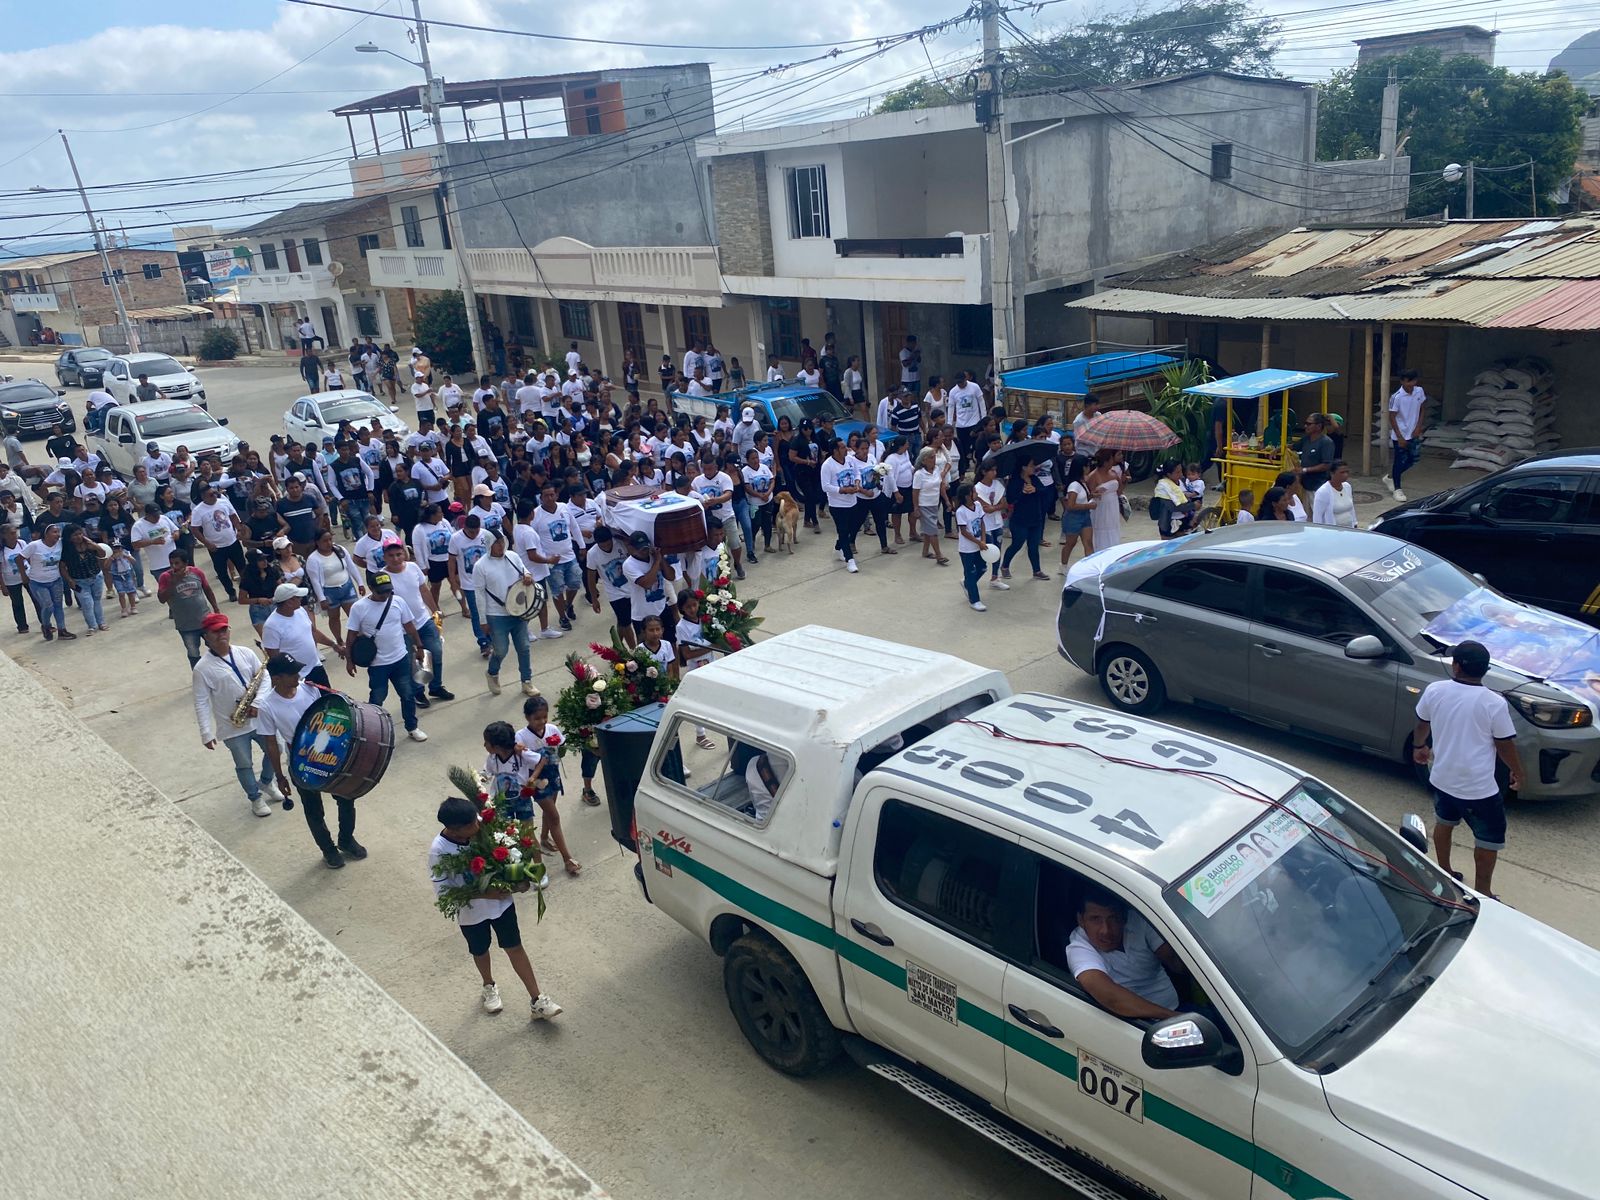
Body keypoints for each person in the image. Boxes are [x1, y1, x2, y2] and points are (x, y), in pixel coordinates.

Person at [428, 794, 563, 1020]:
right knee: (480, 950)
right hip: (471, 914)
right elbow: (444, 892)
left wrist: (517, 880)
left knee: (515, 946)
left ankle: (537, 999)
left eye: (476, 819)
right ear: (453, 830)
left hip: (502, 905)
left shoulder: (480, 826)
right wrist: (485, 893)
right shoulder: (439, 851)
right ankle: (488, 986)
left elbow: (507, 855)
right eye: (471, 824)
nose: (478, 825)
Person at [1414, 640, 1523, 900]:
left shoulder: (1435, 690)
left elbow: (1422, 722)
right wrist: (1518, 771)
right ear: (1484, 669)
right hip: (1478, 788)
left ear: (1457, 666)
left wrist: (1420, 746)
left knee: (1444, 822)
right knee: (1487, 839)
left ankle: (1445, 870)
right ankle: (1483, 891)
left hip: (1441, 778)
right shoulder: (1493, 703)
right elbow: (1503, 743)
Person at [257, 655, 366, 869]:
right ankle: (328, 850)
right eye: (292, 673)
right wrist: (280, 776)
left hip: (330, 754)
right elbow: (271, 744)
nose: (299, 675)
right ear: (277, 678)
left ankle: (346, 839)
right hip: (301, 762)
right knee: (313, 809)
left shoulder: (310, 689)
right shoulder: (267, 707)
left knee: (346, 796)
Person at [191, 612, 284, 817]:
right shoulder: (202, 668)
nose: (221, 634)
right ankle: (255, 798)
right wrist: (206, 732)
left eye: (224, 629)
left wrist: (258, 702)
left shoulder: (245, 652)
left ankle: (267, 783)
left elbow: (264, 678)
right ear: (205, 636)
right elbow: (201, 702)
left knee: (276, 749)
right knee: (244, 764)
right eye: (216, 631)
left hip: (259, 717)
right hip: (233, 726)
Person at [1067, 884, 1189, 1019]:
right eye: (1095, 919)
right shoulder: (1078, 948)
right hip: (1134, 1024)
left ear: (1124, 917)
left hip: (1176, 1006)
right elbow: (1110, 997)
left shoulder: (1140, 922)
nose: (1105, 930)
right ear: (1081, 920)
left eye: (1113, 918)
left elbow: (1175, 962)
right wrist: (1175, 1018)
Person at [344, 571, 428, 743]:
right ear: (371, 589)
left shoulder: (398, 602)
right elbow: (351, 636)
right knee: (377, 699)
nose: (385, 595)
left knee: (407, 694)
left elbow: (409, 626)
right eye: (381, 592)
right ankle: (372, 732)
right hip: (377, 664)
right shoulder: (359, 608)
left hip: (401, 659)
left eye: (388, 591)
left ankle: (412, 727)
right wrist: (349, 660)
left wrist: (419, 647)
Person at [475, 525, 538, 698]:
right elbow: (479, 595)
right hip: (496, 615)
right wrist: (483, 620)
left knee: (524, 648)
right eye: (496, 543)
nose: (501, 546)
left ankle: (527, 682)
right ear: (489, 545)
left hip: (518, 612)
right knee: (501, 650)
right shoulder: (480, 566)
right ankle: (492, 673)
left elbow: (524, 571)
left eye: (502, 541)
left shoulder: (513, 556)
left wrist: (527, 575)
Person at [262, 581, 338, 688]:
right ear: (289, 602)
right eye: (298, 597)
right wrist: (291, 677)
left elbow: (313, 632)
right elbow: (274, 657)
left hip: (315, 666)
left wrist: (333, 645)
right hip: (297, 677)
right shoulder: (271, 626)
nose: (301, 599)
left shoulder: (301, 611)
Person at [158, 549, 220, 666]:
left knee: (217, 647)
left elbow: (207, 590)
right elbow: (162, 599)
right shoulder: (165, 577)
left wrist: (216, 609)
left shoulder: (196, 572)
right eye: (171, 563)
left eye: (177, 563)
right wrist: (174, 582)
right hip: (185, 626)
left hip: (206, 620)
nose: (174, 566)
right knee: (193, 653)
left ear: (186, 563)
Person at [20, 522, 71, 641]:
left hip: (55, 580)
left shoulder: (60, 543)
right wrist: (24, 575)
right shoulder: (34, 545)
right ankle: (46, 625)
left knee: (58, 605)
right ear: (46, 534)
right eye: (54, 532)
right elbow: (20, 558)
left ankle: (62, 630)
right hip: (38, 582)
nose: (57, 534)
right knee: (48, 605)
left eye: (58, 532)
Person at [1000, 458, 1050, 579]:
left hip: (1035, 517)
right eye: (1031, 466)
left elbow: (1044, 491)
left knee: (1033, 545)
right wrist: (1023, 492)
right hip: (1020, 519)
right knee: (1017, 543)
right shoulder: (1015, 481)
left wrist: (1035, 489)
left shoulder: (1034, 479)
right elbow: (1011, 499)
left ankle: (1036, 570)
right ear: (1023, 467)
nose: (1034, 468)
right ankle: (1005, 566)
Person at [60, 526, 111, 634]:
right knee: (87, 604)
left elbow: (102, 554)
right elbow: (62, 567)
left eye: (80, 534)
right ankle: (92, 626)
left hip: (96, 577)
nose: (79, 537)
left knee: (97, 601)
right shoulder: (67, 550)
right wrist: (69, 580)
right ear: (69, 538)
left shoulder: (90, 546)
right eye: (75, 535)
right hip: (79, 581)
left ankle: (101, 623)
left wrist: (95, 546)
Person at [1387, 368, 1427, 502]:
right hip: (1401, 434)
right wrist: (1399, 437)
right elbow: (1392, 417)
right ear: (1402, 381)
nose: (1410, 384)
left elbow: (1422, 409)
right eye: (1408, 381)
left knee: (1413, 460)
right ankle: (1397, 489)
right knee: (1399, 461)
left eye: (1413, 381)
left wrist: (1418, 427)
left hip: (1414, 433)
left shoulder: (1419, 391)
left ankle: (1391, 477)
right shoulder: (1396, 397)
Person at [954, 483, 988, 613]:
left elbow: (982, 522)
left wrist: (983, 539)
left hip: (979, 545)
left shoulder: (978, 506)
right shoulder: (961, 511)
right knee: (971, 572)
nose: (977, 494)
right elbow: (964, 532)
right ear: (968, 496)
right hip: (967, 549)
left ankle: (967, 583)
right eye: (974, 492)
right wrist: (978, 542)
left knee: (983, 567)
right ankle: (975, 600)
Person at [1059, 453, 1096, 568]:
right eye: (1087, 466)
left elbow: (1083, 498)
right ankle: (1063, 565)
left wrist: (1093, 495)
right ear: (1083, 467)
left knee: (1088, 542)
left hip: (1085, 516)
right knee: (1071, 543)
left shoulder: (1083, 483)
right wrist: (1088, 506)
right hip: (1073, 517)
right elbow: (1071, 506)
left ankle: (1090, 567)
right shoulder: (1074, 485)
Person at [1087, 449, 1124, 552]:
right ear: (1106, 461)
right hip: (1101, 507)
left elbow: (1119, 490)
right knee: (1102, 529)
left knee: (1113, 527)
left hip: (1113, 504)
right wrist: (1095, 494)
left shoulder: (1113, 473)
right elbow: (1088, 495)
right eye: (1111, 459)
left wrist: (1124, 480)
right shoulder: (1093, 476)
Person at [1297, 413, 1337, 498]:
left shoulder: (1326, 442)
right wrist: (1277, 449)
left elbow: (1326, 465)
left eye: (1309, 424)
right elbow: (1293, 447)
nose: (1305, 426)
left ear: (1318, 426)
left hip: (1318, 487)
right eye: (1305, 423)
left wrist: (1305, 470)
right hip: (1304, 486)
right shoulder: (1306, 439)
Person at [1311, 460, 1357, 528]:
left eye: (1347, 472)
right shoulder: (1323, 492)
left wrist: (1355, 523)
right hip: (1333, 532)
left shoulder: (1347, 487)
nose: (1346, 475)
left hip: (1349, 530)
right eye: (1342, 472)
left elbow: (1351, 509)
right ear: (1332, 473)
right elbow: (1317, 517)